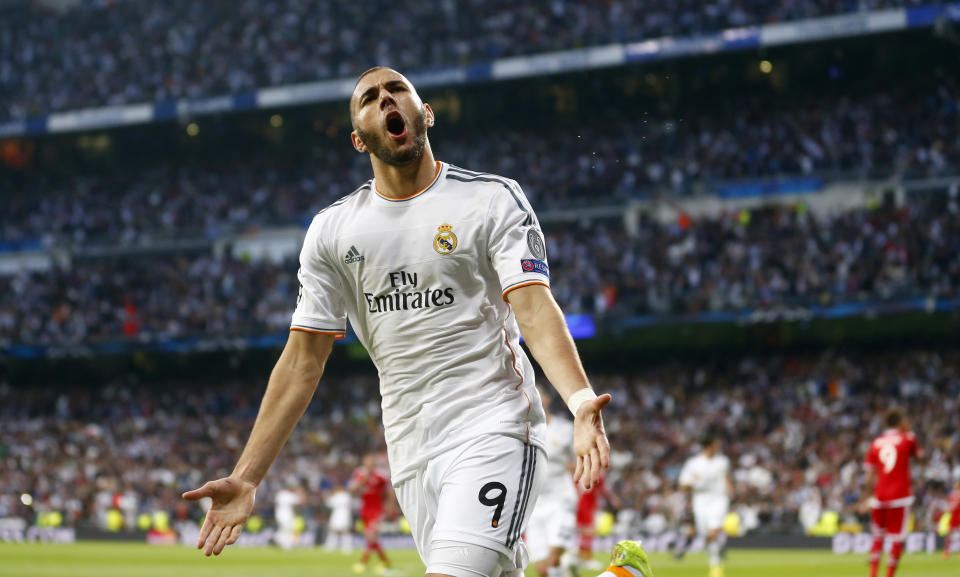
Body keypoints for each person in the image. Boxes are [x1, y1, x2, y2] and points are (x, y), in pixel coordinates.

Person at [181, 66, 651, 577]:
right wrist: (248, 477)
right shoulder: (332, 232)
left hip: (493, 425)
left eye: (397, 90)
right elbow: (302, 362)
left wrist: (580, 401)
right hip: (409, 447)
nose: (387, 100)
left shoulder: (490, 199)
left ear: (424, 113)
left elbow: (534, 307)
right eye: (370, 97)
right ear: (359, 139)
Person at [863, 408, 922, 577]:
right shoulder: (908, 438)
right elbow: (919, 458)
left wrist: (868, 496)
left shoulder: (875, 442)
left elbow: (869, 476)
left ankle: (873, 574)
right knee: (897, 539)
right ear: (900, 422)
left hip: (879, 496)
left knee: (878, 537)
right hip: (900, 497)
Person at [526, 387, 579, 577]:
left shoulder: (565, 429)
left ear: (547, 399)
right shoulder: (520, 430)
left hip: (560, 498)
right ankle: (568, 569)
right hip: (534, 502)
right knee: (542, 570)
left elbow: (578, 459)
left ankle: (566, 561)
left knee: (554, 557)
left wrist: (576, 468)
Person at [678, 432, 731, 577]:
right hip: (700, 501)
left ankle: (715, 567)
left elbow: (725, 477)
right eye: (716, 445)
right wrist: (692, 482)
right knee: (705, 534)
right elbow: (683, 485)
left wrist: (730, 491)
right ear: (708, 446)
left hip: (719, 499)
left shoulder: (723, 461)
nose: (718, 448)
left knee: (714, 531)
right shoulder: (693, 463)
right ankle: (718, 549)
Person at [349, 454, 393, 573]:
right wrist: (363, 479)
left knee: (371, 535)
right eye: (367, 462)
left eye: (371, 462)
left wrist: (389, 506)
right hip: (364, 510)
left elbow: (389, 492)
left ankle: (362, 563)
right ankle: (385, 562)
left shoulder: (381, 475)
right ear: (364, 463)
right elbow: (352, 490)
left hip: (377, 510)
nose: (369, 464)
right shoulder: (359, 473)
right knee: (370, 538)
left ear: (374, 463)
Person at [273, 483, 305, 550]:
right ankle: (281, 541)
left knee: (284, 529)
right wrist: (300, 492)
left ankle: (283, 542)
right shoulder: (288, 495)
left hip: (280, 514)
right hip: (286, 514)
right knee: (287, 529)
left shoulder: (280, 493)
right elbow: (301, 501)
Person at [324, 481, 354, 554]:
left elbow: (328, 503)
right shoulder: (346, 495)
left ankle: (333, 546)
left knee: (342, 531)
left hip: (341, 513)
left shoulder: (339, 496)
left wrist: (327, 496)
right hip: (340, 513)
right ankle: (344, 547)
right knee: (336, 530)